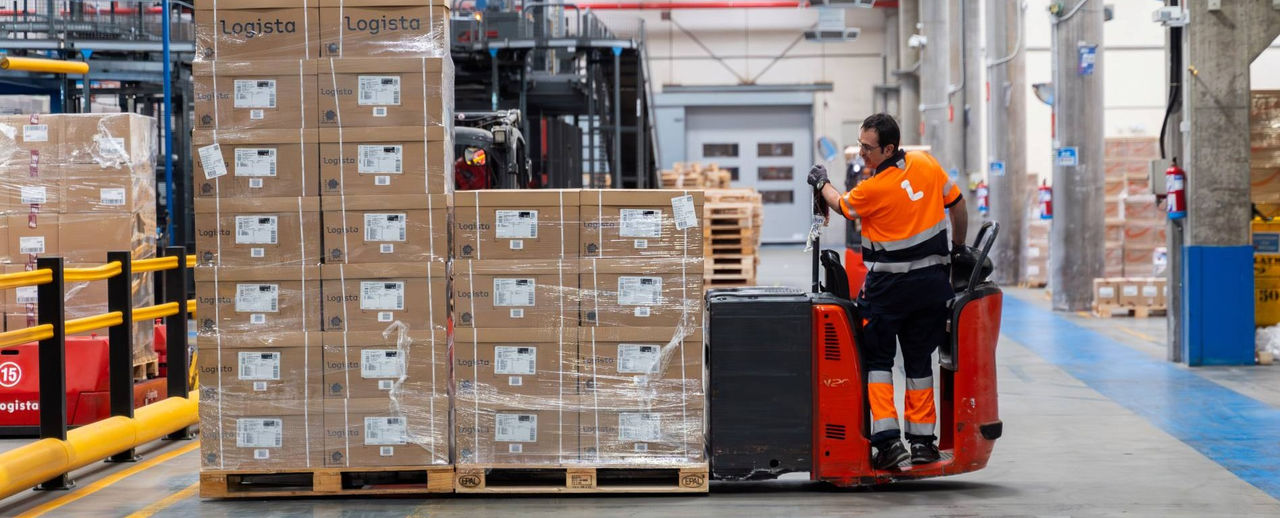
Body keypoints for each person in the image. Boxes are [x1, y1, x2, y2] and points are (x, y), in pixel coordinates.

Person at [808, 113, 968, 470]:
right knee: (918, 362)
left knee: (878, 363)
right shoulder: (927, 164)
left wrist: (821, 183)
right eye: (860, 144)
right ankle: (923, 443)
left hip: (888, 290)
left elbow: (843, 205)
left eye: (867, 148)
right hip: (931, 288)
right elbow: (957, 204)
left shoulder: (874, 189)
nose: (862, 153)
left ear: (889, 148)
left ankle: (889, 443)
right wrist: (958, 249)